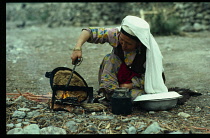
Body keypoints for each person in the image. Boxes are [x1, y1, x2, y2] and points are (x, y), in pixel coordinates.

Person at [71, 15, 168, 101]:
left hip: (134, 85)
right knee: (110, 58)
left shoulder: (148, 53)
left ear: (139, 43)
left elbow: (156, 79)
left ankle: (121, 97)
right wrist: (77, 48)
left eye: (129, 43)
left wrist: (131, 85)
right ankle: (111, 93)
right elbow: (89, 31)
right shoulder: (116, 34)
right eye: (122, 40)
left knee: (142, 96)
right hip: (116, 78)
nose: (123, 46)